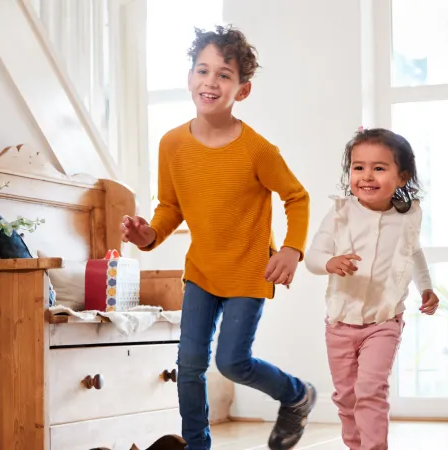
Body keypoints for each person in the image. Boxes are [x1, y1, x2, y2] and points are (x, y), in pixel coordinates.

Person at [120, 25, 316, 450]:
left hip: (248, 271)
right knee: (188, 366)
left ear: (241, 90)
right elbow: (170, 207)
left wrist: (290, 249)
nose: (210, 81)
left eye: (223, 75)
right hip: (202, 272)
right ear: (190, 77)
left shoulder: (257, 150)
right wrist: (148, 234)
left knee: (231, 361)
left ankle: (297, 394)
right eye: (202, 70)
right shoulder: (171, 144)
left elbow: (296, 197)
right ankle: (197, 445)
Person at [304, 128, 440, 450]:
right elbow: (312, 257)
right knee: (346, 396)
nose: (367, 176)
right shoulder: (340, 214)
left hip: (383, 321)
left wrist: (426, 288)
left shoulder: (407, 218)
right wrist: (330, 262)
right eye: (358, 167)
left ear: (402, 176)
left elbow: (413, 252)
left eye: (379, 168)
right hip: (340, 324)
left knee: (370, 389)